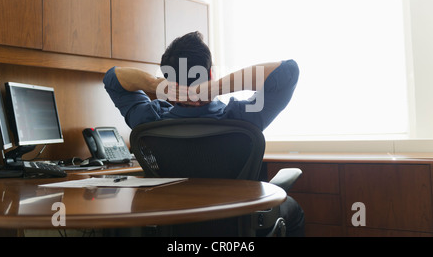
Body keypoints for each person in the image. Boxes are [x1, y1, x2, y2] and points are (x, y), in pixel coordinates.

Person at [103, 31, 305, 236]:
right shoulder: (241, 118)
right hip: (238, 224)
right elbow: (288, 71)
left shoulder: (149, 121)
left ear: (168, 80)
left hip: (176, 226)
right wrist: (217, 87)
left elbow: (113, 78)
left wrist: (156, 86)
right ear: (210, 74)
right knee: (292, 208)